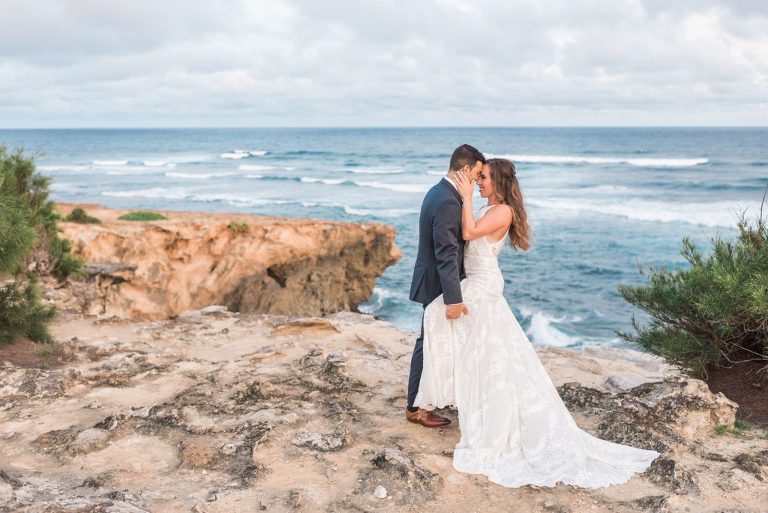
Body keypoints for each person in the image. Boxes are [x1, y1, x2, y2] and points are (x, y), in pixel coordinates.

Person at [413, 157, 660, 488]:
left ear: (498, 182)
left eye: (483, 178)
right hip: (478, 282)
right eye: (477, 177)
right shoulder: (493, 209)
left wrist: (465, 198)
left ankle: (459, 405)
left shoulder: (501, 211)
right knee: (479, 348)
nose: (478, 183)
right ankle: (455, 397)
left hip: (483, 285)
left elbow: (469, 232)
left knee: (461, 333)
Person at [406, 144, 486, 428]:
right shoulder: (449, 201)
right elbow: (447, 253)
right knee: (427, 342)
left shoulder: (439, 191)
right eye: (477, 174)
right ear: (465, 169)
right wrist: (454, 299)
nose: (478, 181)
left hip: (436, 280)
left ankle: (428, 399)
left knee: (431, 341)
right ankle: (416, 407)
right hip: (439, 284)